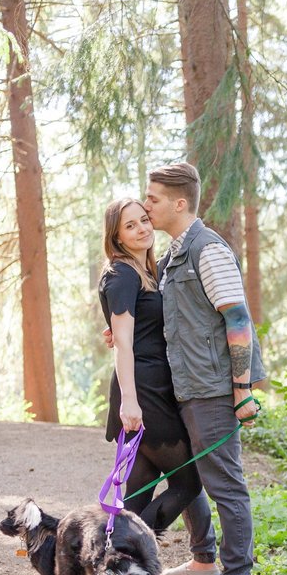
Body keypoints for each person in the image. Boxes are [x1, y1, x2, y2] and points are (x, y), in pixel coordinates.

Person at [143, 162, 266, 575]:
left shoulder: (208, 250)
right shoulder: (175, 253)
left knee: (225, 486)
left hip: (215, 389)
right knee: (189, 474)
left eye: (153, 198)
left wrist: (242, 391)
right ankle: (203, 562)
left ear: (179, 203)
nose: (146, 204)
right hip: (186, 386)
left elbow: (237, 319)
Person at [97, 198, 203, 544]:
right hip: (143, 391)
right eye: (130, 225)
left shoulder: (147, 271)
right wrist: (130, 401)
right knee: (188, 482)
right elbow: (124, 344)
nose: (142, 228)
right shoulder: (122, 274)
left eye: (143, 220)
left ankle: (116, 574)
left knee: (140, 489)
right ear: (116, 236)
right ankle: (129, 553)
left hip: (154, 385)